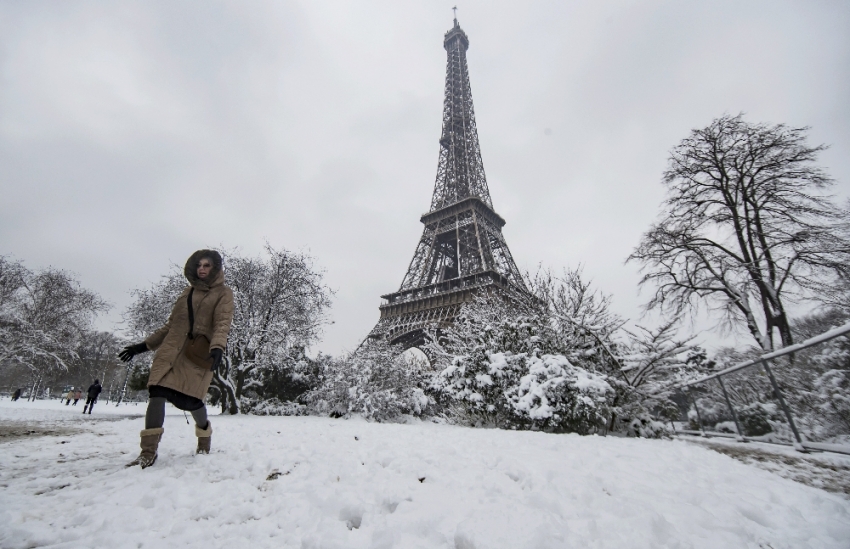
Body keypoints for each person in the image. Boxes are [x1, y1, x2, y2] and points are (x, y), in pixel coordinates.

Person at [119, 250, 233, 469]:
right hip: (170, 353)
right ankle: (148, 452)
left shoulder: (223, 293)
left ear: (216, 268)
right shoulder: (186, 293)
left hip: (197, 355)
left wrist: (217, 347)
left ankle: (204, 437)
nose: (202, 269)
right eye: (198, 265)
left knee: (193, 402)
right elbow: (170, 326)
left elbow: (222, 322)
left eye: (207, 265)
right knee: (157, 392)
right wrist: (142, 346)